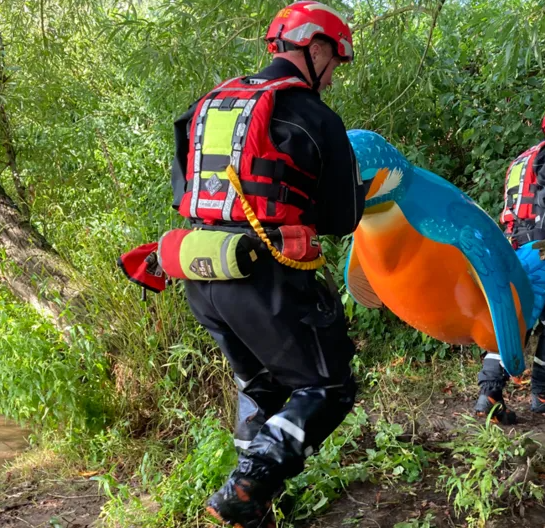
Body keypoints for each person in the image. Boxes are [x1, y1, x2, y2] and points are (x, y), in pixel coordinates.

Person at [168, 2, 363, 526]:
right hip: (265, 274)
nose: (333, 77)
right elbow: (342, 217)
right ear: (316, 48)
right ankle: (246, 487)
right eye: (334, 62)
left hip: (203, 270)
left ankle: (254, 513)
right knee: (329, 387)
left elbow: (183, 192)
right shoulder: (313, 115)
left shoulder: (205, 104)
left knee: (263, 389)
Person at [474, 103, 545, 423]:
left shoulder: (522, 159)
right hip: (543, 249)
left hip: (512, 247)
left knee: (513, 318)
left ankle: (489, 396)